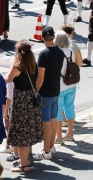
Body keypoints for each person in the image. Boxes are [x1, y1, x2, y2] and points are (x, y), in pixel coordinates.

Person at [5, 40, 43, 174]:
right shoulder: (33, 65)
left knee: (22, 135)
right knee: (27, 134)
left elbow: (8, 79)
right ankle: (25, 162)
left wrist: (12, 64)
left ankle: (23, 165)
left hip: (21, 101)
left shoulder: (17, 67)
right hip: (31, 99)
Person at [36, 26, 65, 160]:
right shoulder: (60, 51)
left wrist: (35, 90)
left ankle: (46, 150)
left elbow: (40, 77)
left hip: (45, 92)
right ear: (53, 37)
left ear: (42, 37)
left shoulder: (43, 54)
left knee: (45, 121)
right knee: (53, 118)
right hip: (55, 90)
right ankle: (51, 146)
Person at [54, 30, 79, 145]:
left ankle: (59, 137)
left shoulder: (56, 52)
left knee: (58, 111)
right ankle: (70, 133)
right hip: (71, 83)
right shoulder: (70, 51)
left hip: (60, 85)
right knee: (70, 108)